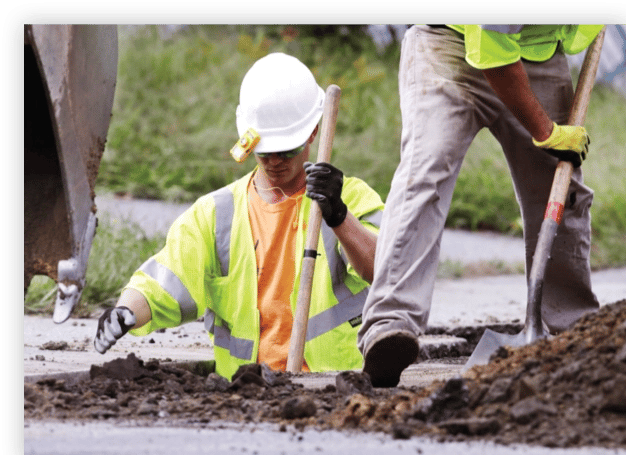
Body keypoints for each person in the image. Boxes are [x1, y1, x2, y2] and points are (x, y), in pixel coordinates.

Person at [94, 52, 384, 381]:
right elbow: (165, 280)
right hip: (245, 392)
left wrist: (340, 217)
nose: (274, 161)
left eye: (286, 150)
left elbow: (387, 271)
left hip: (334, 389)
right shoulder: (216, 214)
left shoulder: (350, 198)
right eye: (264, 150)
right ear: (247, 138)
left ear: (313, 132)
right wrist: (126, 311)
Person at [358, 24, 604, 387]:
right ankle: (390, 326)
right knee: (426, 172)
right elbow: (492, 52)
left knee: (559, 185)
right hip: (449, 48)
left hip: (537, 53)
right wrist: (546, 132)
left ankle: (571, 327)